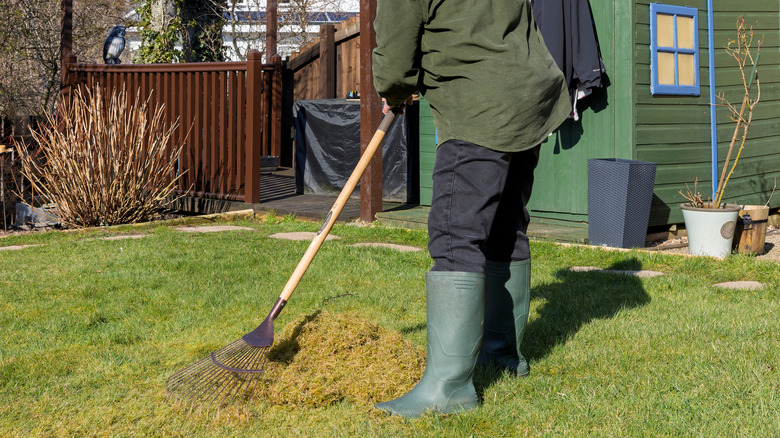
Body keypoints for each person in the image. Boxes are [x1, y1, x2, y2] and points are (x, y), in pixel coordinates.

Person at [372, 0, 571, 419]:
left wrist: (394, 87)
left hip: (479, 101)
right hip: (528, 92)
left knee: (453, 235)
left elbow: (394, 51)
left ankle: (448, 388)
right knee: (505, 226)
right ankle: (502, 354)